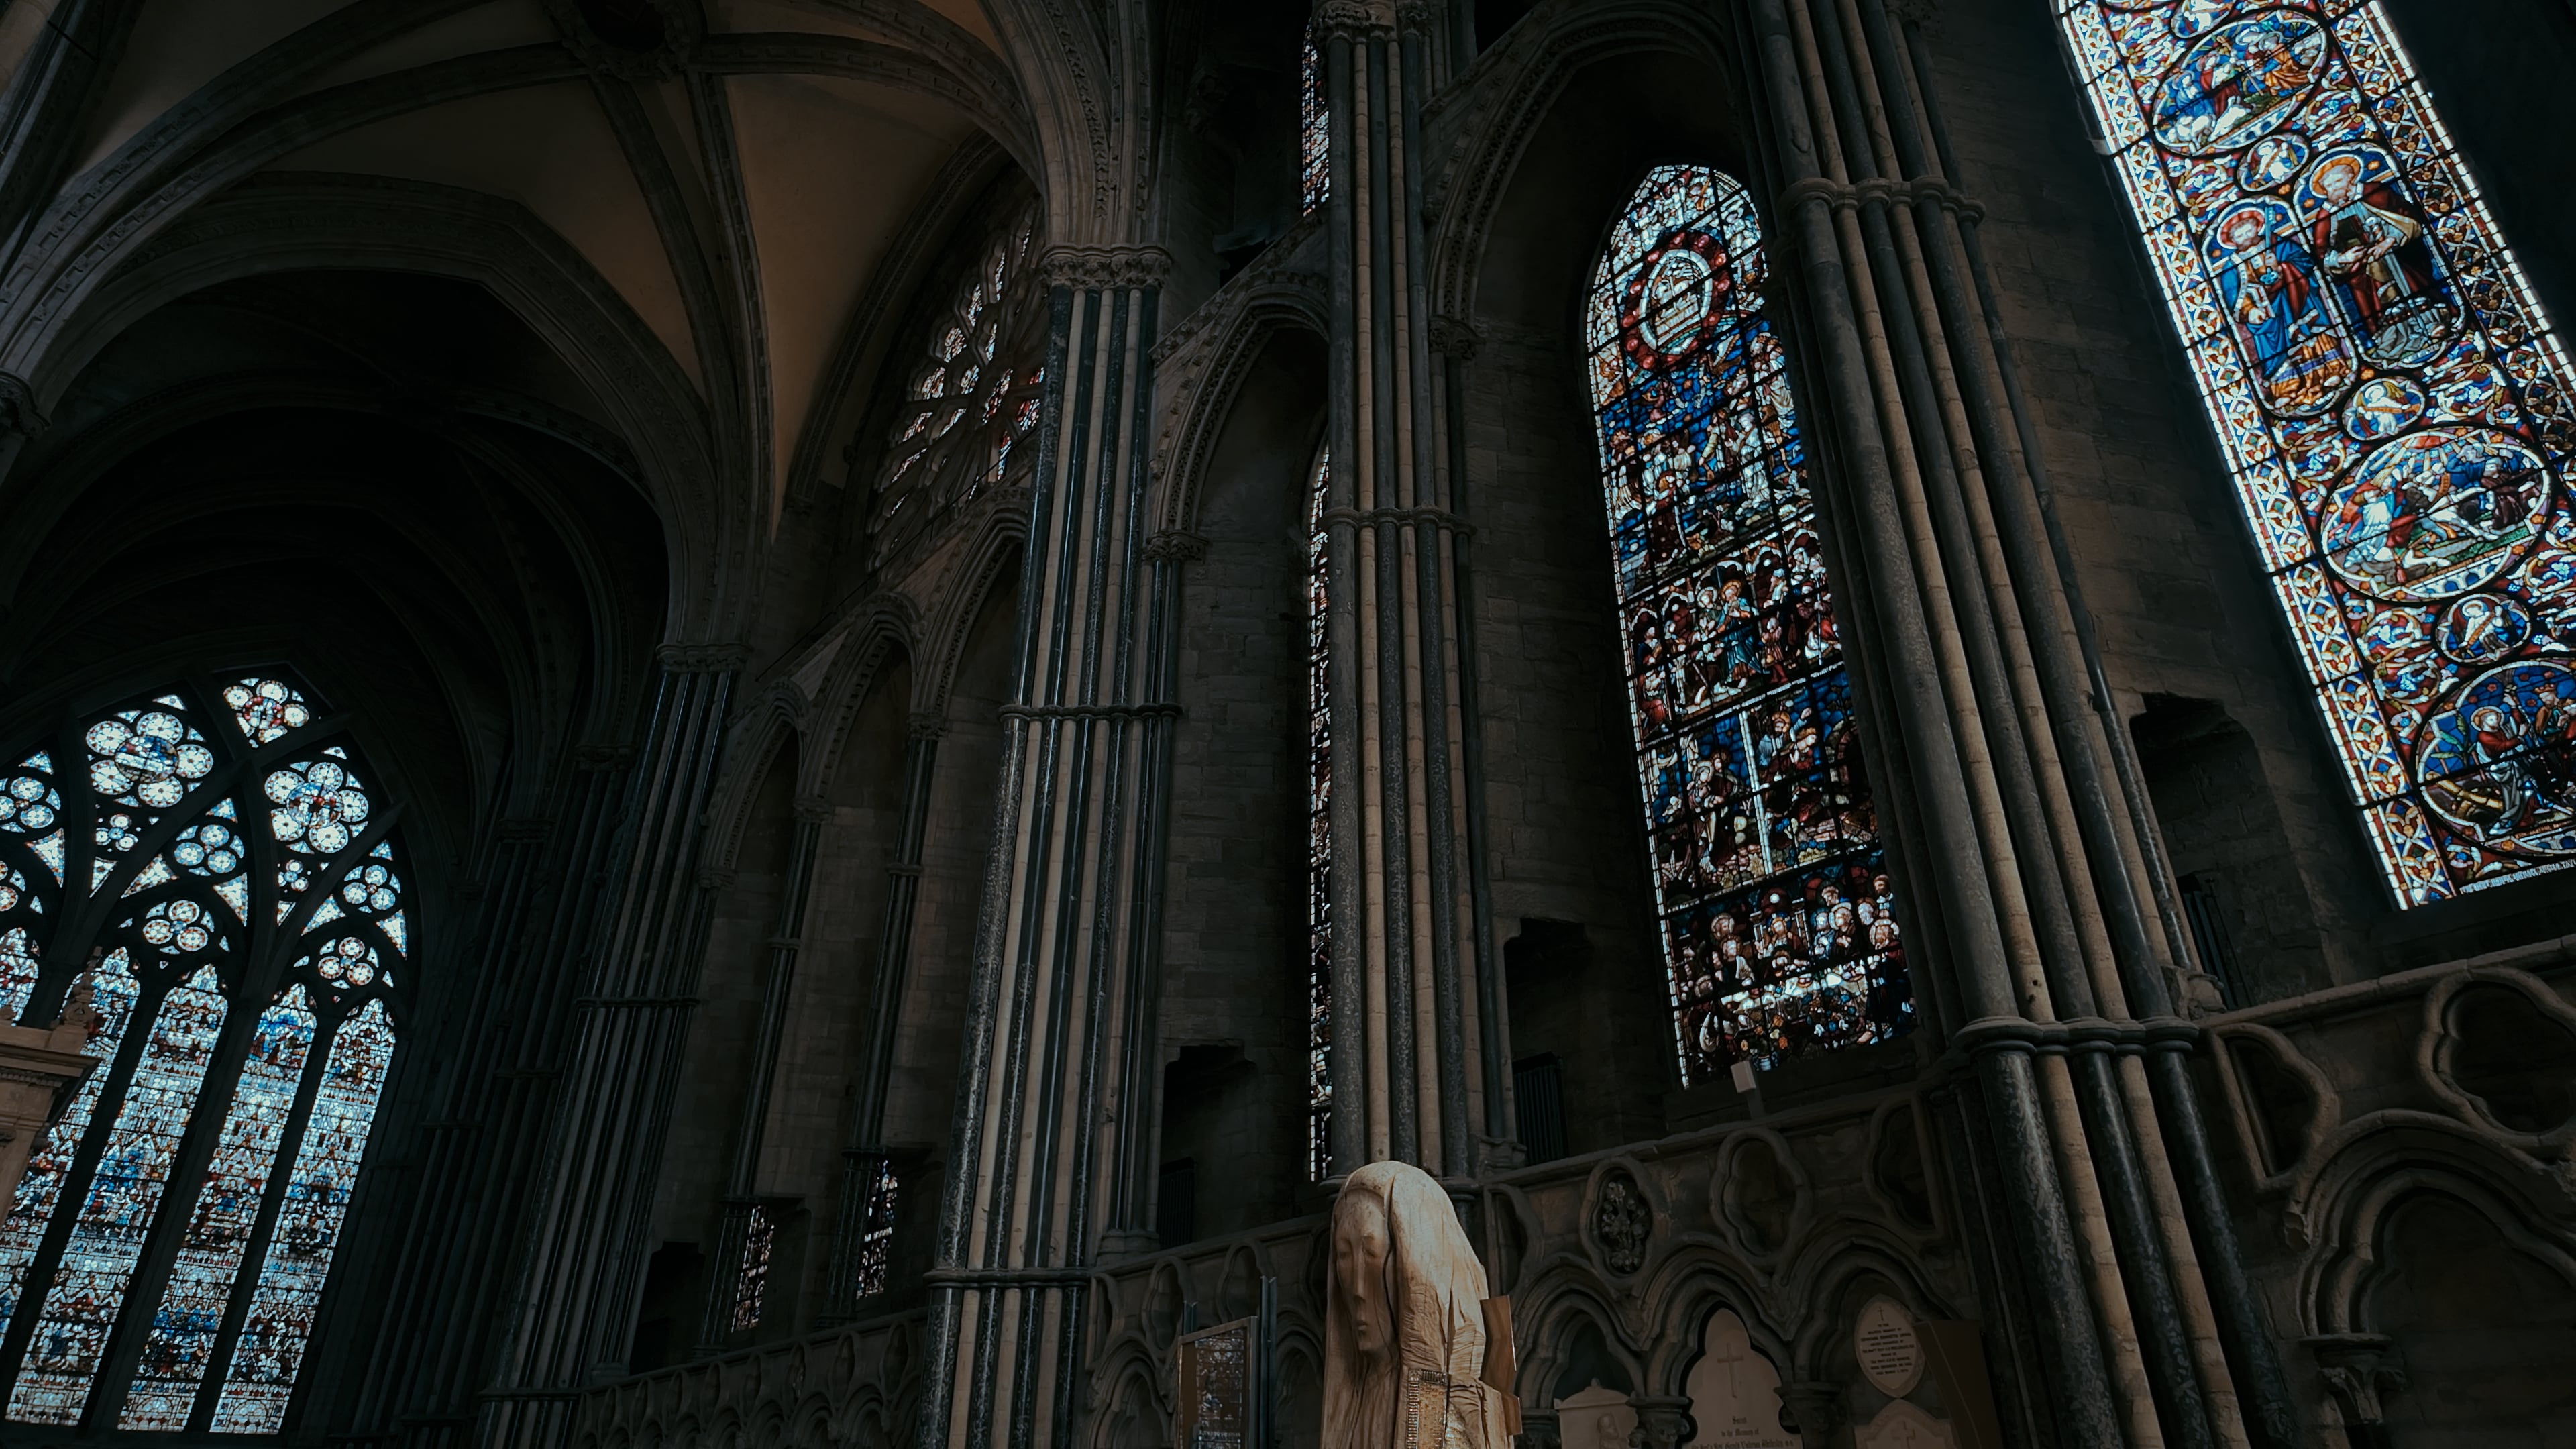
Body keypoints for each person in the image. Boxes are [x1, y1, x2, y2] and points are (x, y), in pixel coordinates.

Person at [1323, 1161, 1509, 1449]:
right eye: (1344, 1255)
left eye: (1372, 1253)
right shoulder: (1357, 1401)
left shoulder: (1456, 1406)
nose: (1357, 1289)